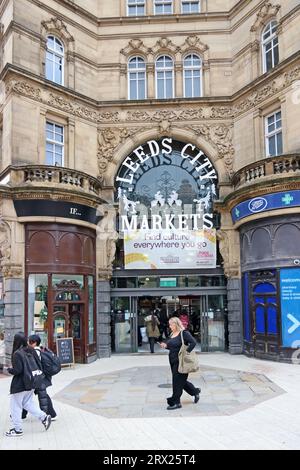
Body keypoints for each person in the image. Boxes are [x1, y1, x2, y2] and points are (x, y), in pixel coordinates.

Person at [5, 332, 51, 437]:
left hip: (21, 384)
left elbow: (18, 370)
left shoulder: (17, 353)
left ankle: (17, 429)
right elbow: (39, 364)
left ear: (16, 341)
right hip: (32, 382)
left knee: (15, 406)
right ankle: (44, 417)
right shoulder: (31, 349)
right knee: (27, 403)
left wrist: (8, 370)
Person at [160, 317, 201, 410]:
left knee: (176, 382)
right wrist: (165, 346)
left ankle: (176, 402)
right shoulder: (172, 334)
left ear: (176, 324)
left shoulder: (184, 333)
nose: (169, 326)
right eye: (169, 324)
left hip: (182, 362)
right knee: (181, 381)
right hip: (173, 361)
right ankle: (195, 391)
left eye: (171, 324)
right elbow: (173, 347)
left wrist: (186, 352)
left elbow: (193, 343)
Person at [22, 334, 57, 421]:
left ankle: (48, 415)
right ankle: (50, 414)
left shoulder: (35, 352)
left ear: (34, 343)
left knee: (37, 396)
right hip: (41, 377)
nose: (28, 343)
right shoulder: (40, 349)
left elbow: (33, 365)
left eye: (29, 342)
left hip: (38, 378)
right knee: (40, 396)